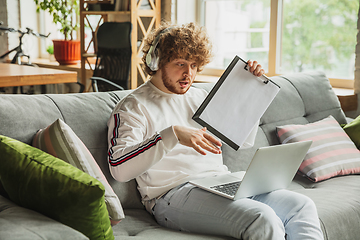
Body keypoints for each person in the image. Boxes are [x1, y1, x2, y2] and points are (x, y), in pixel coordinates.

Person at [107, 22, 324, 240]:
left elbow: (242, 140)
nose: (188, 74)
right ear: (155, 62)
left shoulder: (199, 97)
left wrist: (252, 89)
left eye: (193, 65)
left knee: (301, 205)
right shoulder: (133, 106)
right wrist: (172, 134)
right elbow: (119, 169)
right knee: (262, 218)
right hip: (172, 195)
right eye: (180, 64)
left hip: (219, 182)